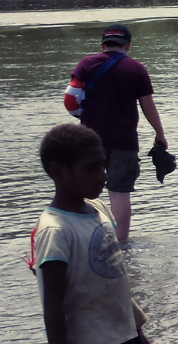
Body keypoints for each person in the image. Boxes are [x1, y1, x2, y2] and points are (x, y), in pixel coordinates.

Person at [33, 123, 168, 344]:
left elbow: (115, 279)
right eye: (91, 168)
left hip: (122, 336)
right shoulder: (55, 230)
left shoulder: (97, 209)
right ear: (58, 171)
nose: (104, 175)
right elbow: (53, 309)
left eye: (103, 164)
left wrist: (137, 330)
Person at [64, 25, 168, 243]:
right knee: (120, 193)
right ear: (128, 46)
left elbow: (70, 98)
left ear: (102, 45)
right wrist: (159, 134)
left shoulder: (86, 64)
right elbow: (148, 105)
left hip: (89, 140)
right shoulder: (137, 68)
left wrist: (80, 114)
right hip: (124, 141)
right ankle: (120, 244)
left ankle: (81, 239)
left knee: (84, 188)